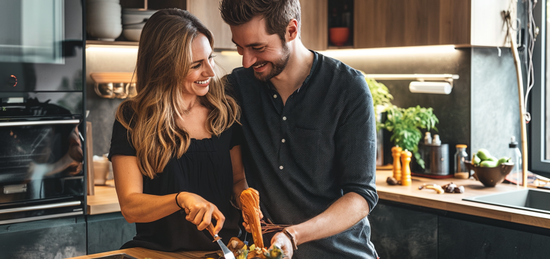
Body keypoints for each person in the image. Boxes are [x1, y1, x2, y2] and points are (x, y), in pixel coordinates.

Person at [220, 0, 379, 258]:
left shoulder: (348, 88)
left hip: (340, 252)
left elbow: (361, 196)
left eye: (257, 48)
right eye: (240, 47)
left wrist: (294, 235)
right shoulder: (236, 89)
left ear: (291, 31)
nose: (247, 61)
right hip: (266, 252)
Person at [108, 8, 247, 252]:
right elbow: (130, 206)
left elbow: (237, 180)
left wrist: (245, 198)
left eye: (210, 58)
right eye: (196, 65)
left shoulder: (224, 112)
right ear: (165, 66)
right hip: (156, 253)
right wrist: (179, 199)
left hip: (224, 252)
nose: (210, 72)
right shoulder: (133, 119)